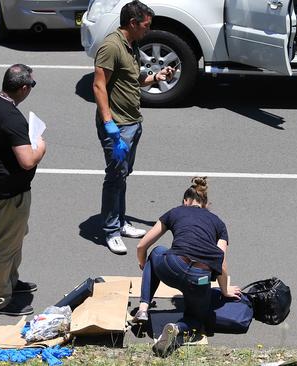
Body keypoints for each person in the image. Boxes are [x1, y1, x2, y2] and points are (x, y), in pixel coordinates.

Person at [93, 0, 175, 254]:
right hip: (117, 126)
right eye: (146, 25)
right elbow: (98, 86)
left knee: (123, 175)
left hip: (133, 121)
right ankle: (110, 231)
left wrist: (157, 77)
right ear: (133, 23)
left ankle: (120, 221)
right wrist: (109, 124)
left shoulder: (132, 44)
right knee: (114, 177)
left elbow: (135, 77)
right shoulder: (111, 46)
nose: (148, 30)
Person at [134, 177, 241, 357]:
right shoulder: (219, 223)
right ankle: (177, 328)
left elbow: (141, 246)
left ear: (186, 201)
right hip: (199, 278)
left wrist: (146, 266)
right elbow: (220, 260)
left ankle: (143, 309)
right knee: (196, 320)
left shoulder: (176, 211)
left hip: (173, 266)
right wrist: (225, 291)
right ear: (206, 204)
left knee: (157, 252)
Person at [0, 64, 46, 316]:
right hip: (9, 193)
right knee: (6, 244)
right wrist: (41, 146)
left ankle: (11, 282)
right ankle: (0, 300)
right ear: (23, 88)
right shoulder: (11, 118)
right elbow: (28, 160)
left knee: (15, 237)